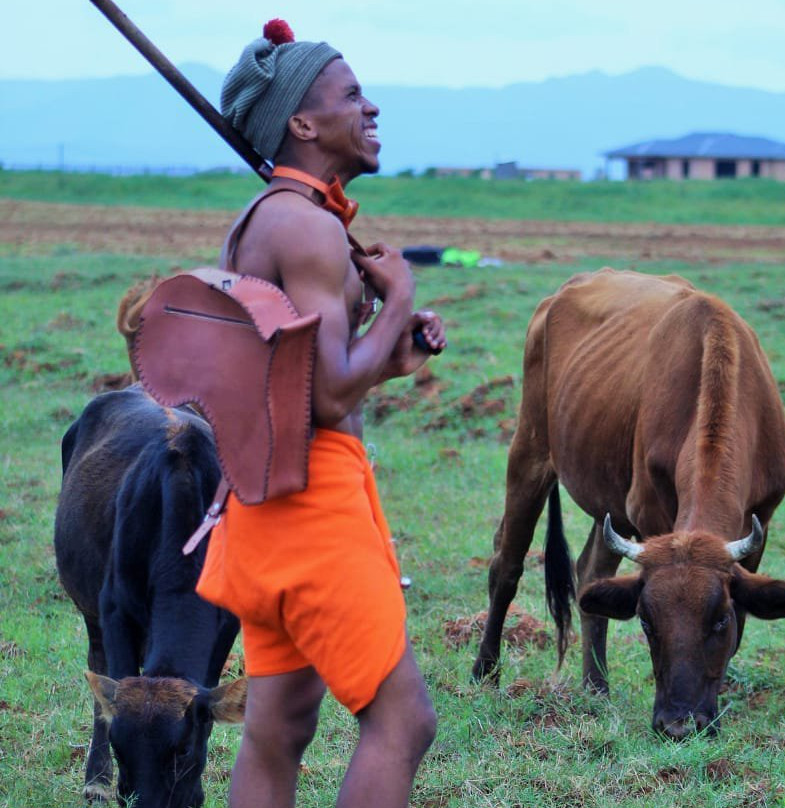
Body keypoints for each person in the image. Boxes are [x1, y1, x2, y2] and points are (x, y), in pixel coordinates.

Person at [194, 18, 445, 808]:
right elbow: (330, 394)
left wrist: (387, 346)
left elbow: (308, 378)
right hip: (313, 508)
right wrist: (397, 294)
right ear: (302, 123)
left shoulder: (270, 219)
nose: (370, 110)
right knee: (403, 721)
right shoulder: (306, 227)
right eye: (351, 96)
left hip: (262, 504)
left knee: (281, 728)